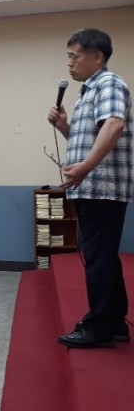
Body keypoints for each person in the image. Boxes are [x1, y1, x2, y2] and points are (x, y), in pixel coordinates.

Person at [47, 28, 132, 349]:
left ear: (97, 57)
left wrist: (85, 168)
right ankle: (114, 322)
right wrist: (64, 126)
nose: (69, 63)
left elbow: (115, 124)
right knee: (103, 257)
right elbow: (88, 141)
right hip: (93, 187)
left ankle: (99, 327)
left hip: (101, 187)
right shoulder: (88, 91)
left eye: (74, 56)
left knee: (98, 258)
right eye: (68, 57)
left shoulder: (108, 83)